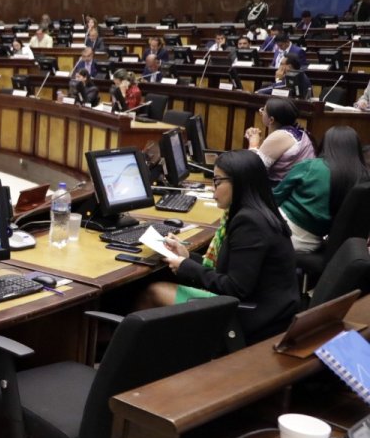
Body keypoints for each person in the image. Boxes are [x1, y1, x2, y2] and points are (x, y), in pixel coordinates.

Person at [142, 150, 300, 343]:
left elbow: (235, 288)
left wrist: (185, 267)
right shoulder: (259, 212)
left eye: (217, 182)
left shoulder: (250, 223)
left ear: (239, 182)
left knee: (153, 292)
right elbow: (232, 267)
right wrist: (187, 257)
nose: (213, 190)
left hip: (251, 318)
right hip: (267, 310)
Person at [274, 126, 369, 252]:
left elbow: (276, 197)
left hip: (282, 233)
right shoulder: (364, 179)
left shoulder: (310, 166)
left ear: (326, 144)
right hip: (313, 244)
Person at [245, 97, 315, 183]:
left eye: (263, 110)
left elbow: (252, 170)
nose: (261, 112)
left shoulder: (279, 136)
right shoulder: (298, 131)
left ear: (271, 120)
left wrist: (253, 144)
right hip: (300, 185)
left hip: (282, 190)